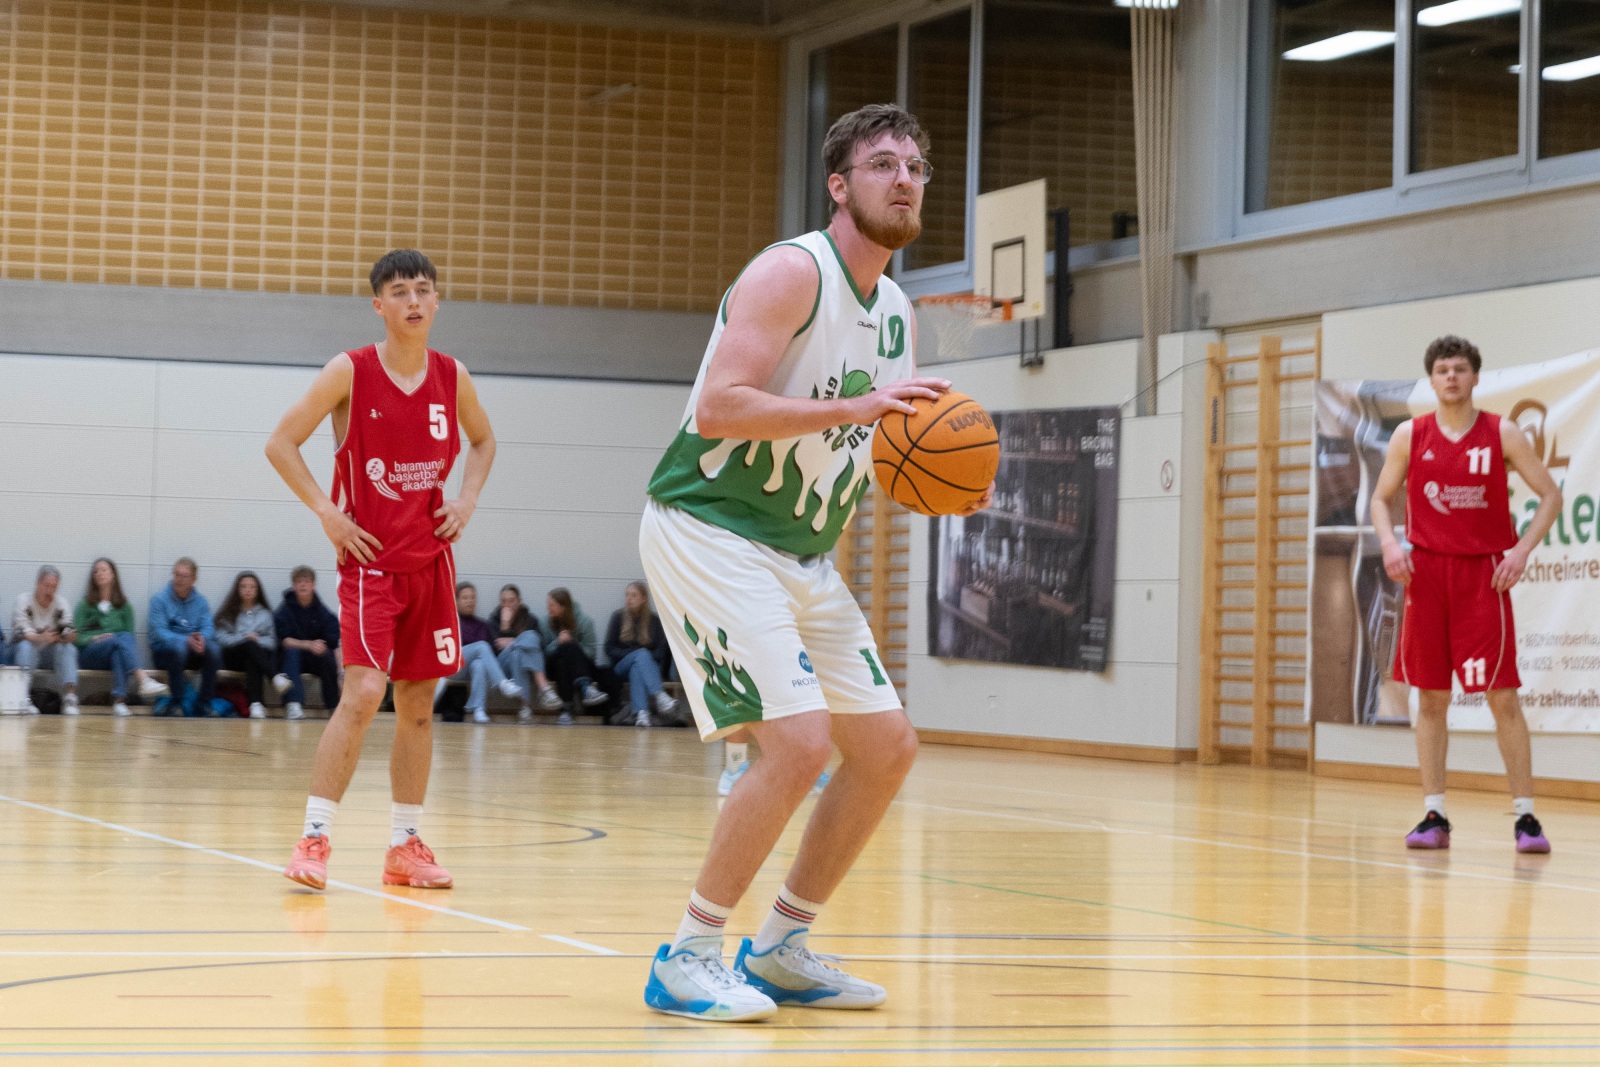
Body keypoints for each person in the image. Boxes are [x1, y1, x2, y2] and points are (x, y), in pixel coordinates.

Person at [636, 104, 989, 1021]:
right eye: (883, 164)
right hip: (711, 526)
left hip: (800, 550)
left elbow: (877, 442)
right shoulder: (793, 272)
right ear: (839, 185)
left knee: (884, 748)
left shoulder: (898, 312)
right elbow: (719, 406)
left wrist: (948, 487)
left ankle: (781, 947)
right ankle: (687, 955)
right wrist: (855, 411)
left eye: (916, 167)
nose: (905, 179)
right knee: (797, 743)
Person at [266, 248, 497, 892]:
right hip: (371, 565)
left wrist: (466, 499)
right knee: (365, 692)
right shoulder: (350, 371)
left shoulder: (452, 376)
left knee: (418, 703)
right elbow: (280, 443)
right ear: (378, 305)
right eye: (399, 292)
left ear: (437, 300)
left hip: (432, 563)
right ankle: (314, 836)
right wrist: (327, 513)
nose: (413, 301)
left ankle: (405, 845)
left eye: (423, 289)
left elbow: (483, 441)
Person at [1371, 335, 1562, 854]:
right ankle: (1434, 814)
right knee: (1431, 698)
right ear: (1431, 380)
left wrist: (1520, 551)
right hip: (1426, 578)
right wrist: (1390, 544)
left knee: (1503, 697)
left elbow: (1551, 496)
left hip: (1483, 577)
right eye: (1441, 370)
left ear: (1475, 377)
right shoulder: (1411, 435)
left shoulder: (1502, 432)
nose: (1451, 377)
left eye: (1459, 369)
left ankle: (1526, 819)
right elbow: (1381, 499)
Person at [75, 557, 168, 717]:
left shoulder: (125, 606)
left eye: (104, 570)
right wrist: (93, 638)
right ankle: (143, 679)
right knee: (120, 639)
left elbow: (129, 640)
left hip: (112, 653)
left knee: (120, 648)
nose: (99, 574)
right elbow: (75, 636)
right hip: (90, 654)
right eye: (96, 571)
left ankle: (119, 701)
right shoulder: (85, 604)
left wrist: (113, 638)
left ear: (113, 575)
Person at [440, 582, 523, 724]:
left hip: (470, 669)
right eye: (465, 598)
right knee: (481, 646)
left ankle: (479, 710)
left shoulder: (483, 624)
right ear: (456, 601)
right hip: (452, 665)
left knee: (479, 664)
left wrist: (507, 632)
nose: (470, 601)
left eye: (473, 597)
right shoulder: (449, 621)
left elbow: (493, 652)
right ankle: (503, 683)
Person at [148, 557, 222, 716]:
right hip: (165, 653)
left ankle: (204, 703)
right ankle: (176, 703)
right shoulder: (159, 600)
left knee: (214, 649)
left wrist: (201, 638)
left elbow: (209, 627)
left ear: (194, 579)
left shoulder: (201, 602)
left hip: (193, 651)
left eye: (184, 576)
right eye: (176, 575)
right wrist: (186, 640)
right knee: (179, 648)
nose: (179, 579)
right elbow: (160, 632)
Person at [604, 581, 679, 728]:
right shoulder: (618, 617)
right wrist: (635, 654)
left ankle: (642, 714)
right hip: (621, 667)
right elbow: (609, 648)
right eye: (627, 595)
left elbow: (660, 652)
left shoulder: (655, 621)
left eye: (634, 595)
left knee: (637, 668)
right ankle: (660, 695)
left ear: (644, 598)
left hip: (647, 668)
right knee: (641, 655)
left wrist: (641, 657)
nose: (629, 599)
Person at [274, 566, 343, 720]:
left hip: (314, 659)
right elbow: (284, 640)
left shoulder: (323, 612)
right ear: (294, 586)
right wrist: (309, 644)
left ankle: (333, 706)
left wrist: (341, 673)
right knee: (291, 652)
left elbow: (333, 643)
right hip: (291, 659)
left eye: (306, 581)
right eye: (299, 582)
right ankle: (293, 704)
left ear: (313, 585)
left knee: (326, 654)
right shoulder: (285, 610)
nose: (303, 585)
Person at [12, 565, 81, 714]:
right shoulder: (23, 601)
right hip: (28, 650)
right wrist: (41, 637)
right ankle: (23, 696)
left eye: (54, 587)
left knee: (68, 648)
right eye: (46, 586)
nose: (50, 591)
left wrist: (68, 636)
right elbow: (19, 633)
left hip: (50, 653)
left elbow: (68, 630)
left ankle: (69, 698)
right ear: (38, 583)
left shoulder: (62, 604)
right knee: (25, 646)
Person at [489, 584, 562, 722]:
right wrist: (505, 625)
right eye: (504, 601)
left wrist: (512, 643)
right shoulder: (493, 620)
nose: (507, 605)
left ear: (519, 601)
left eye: (511, 600)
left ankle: (525, 708)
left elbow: (539, 647)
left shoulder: (530, 619)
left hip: (524, 665)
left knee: (520, 651)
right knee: (529, 637)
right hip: (502, 667)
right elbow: (497, 647)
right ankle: (544, 688)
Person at [215, 571, 283, 719]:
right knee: (249, 645)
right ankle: (274, 677)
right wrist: (243, 637)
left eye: (252, 587)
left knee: (252, 656)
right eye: (244, 586)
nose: (248, 590)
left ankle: (256, 705)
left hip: (256, 658)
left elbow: (272, 642)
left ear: (257, 590)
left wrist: (256, 639)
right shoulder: (229, 612)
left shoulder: (265, 614)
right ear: (238, 589)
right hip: (232, 657)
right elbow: (221, 638)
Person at [543, 587, 609, 723]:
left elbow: (591, 653)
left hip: (580, 665)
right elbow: (544, 653)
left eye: (552, 605)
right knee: (565, 650)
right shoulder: (545, 622)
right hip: (552, 666)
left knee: (568, 651)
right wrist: (557, 642)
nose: (548, 608)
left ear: (563, 606)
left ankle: (566, 709)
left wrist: (573, 642)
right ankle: (586, 688)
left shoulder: (585, 621)